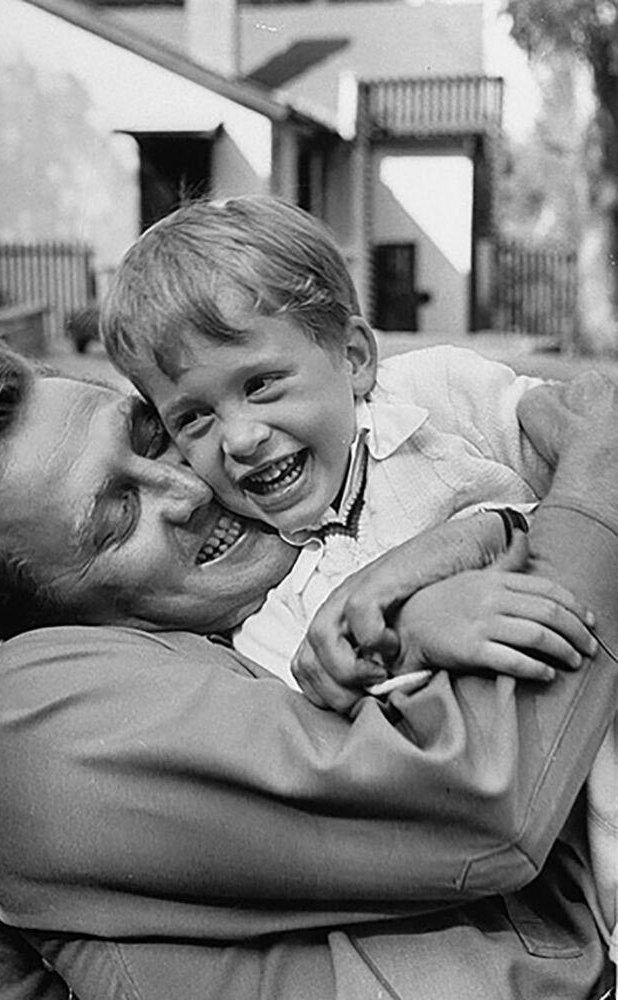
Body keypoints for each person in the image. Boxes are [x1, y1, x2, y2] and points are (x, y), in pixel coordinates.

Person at [0, 333, 618, 998]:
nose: (194, 486)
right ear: (53, 619)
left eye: (154, 435)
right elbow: (483, 796)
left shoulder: (277, 588)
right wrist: (597, 486)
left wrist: (493, 525)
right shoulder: (37, 711)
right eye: (117, 516)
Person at [101, 196, 616, 948]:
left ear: (353, 357)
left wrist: (471, 542)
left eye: (262, 384)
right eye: (194, 419)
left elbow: (593, 445)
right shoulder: (275, 607)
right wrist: (413, 630)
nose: (241, 438)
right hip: (554, 790)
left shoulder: (439, 397)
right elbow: (370, 740)